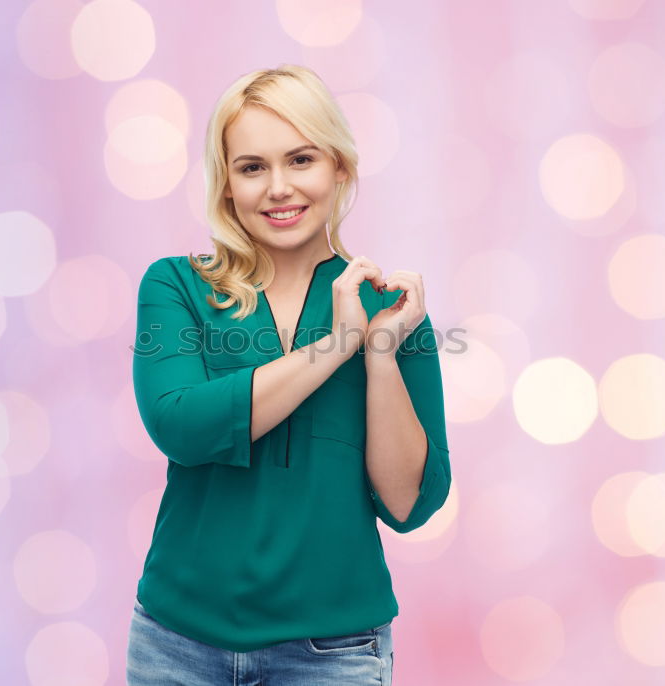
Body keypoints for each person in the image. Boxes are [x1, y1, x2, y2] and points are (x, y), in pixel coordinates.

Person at [127, 64, 451, 686]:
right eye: (252, 168)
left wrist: (378, 352)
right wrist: (337, 346)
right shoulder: (176, 286)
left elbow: (409, 504)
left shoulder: (393, 310)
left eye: (300, 160)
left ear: (339, 168)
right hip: (178, 645)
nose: (278, 188)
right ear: (226, 186)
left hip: (334, 653)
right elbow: (181, 426)